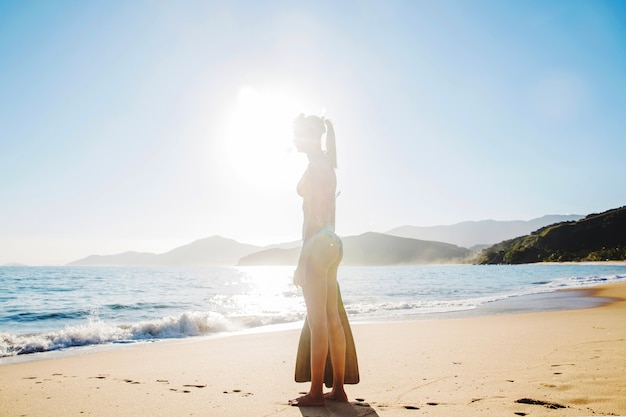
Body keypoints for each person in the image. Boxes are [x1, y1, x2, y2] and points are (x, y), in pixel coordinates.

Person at [289, 114, 348, 407]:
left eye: (297, 134)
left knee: (318, 321)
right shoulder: (327, 163)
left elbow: (312, 220)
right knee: (332, 319)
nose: (293, 139)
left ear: (310, 137)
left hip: (317, 247)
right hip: (334, 245)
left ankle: (315, 392)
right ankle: (337, 389)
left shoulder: (315, 168)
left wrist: (302, 261)